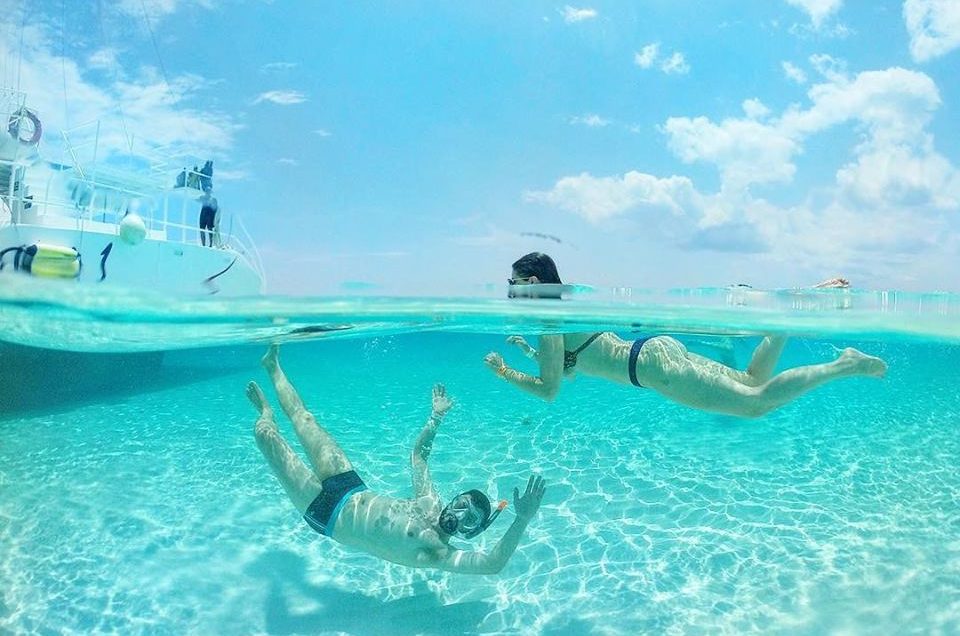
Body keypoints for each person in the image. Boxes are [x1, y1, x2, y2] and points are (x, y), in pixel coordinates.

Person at [249, 344, 546, 574]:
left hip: (324, 513)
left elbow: (491, 564)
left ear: (472, 531)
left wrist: (521, 519)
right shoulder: (429, 501)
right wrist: (436, 417)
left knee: (266, 435)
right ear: (453, 499)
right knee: (306, 420)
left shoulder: (439, 554)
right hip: (351, 488)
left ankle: (267, 413)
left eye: (469, 519)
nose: (458, 515)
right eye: (461, 505)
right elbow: (419, 458)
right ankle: (273, 366)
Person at [484, 252, 887, 419]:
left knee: (754, 405)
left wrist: (505, 373)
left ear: (532, 281)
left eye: (512, 281)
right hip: (655, 352)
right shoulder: (565, 313)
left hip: (653, 370)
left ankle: (843, 364)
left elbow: (549, 390)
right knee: (752, 381)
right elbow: (569, 367)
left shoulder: (548, 323)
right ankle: (783, 323)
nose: (509, 287)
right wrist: (526, 352)